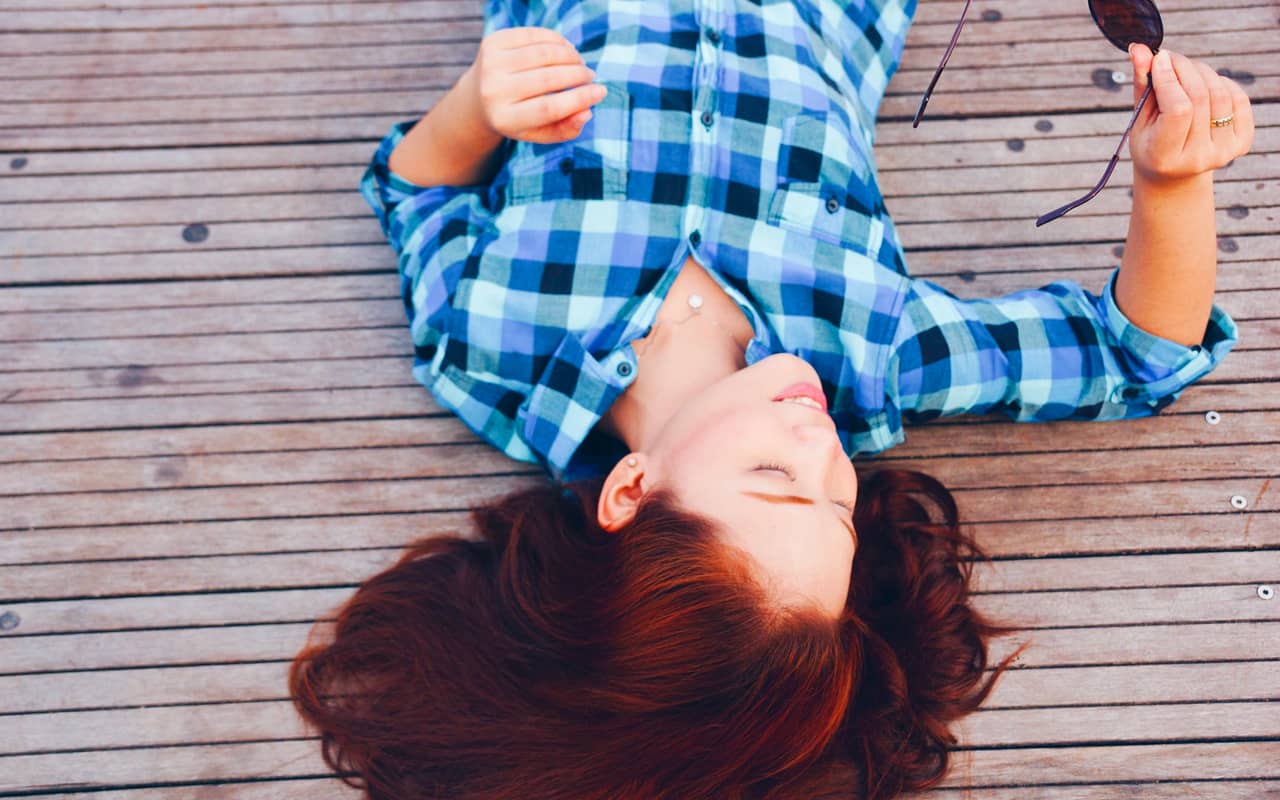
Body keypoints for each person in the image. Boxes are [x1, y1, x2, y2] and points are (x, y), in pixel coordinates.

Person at [289, 0, 1254, 797]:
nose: (821, 444)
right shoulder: (872, 355)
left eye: (772, 477)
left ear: (630, 492)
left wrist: (473, 107)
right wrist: (1175, 185)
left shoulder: (497, 350)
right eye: (839, 505)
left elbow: (414, 191)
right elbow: (1134, 355)